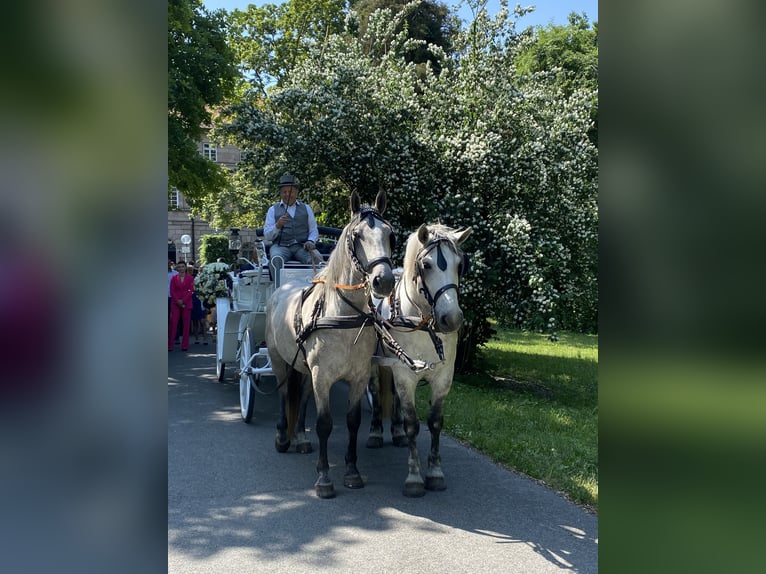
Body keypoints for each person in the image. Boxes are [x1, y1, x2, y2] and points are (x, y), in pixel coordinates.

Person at [263, 173, 320, 269]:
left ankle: (314, 283)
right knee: (276, 260)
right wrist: (277, 226)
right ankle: (278, 284)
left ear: (296, 192)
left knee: (316, 258)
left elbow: (313, 230)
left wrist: (310, 241)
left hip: (302, 247)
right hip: (280, 247)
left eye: (290, 192)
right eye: (284, 192)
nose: (287, 194)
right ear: (280, 193)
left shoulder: (306, 208)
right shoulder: (272, 210)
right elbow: (268, 236)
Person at [168, 260, 194, 352]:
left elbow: (191, 291)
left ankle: (185, 345)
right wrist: (178, 300)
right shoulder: (174, 278)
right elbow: (172, 290)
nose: (181, 268)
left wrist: (183, 300)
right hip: (175, 303)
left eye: (183, 266)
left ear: (185, 267)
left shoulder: (190, 278)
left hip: (186, 303)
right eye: (179, 267)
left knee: (186, 325)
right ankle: (170, 345)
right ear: (177, 268)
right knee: (173, 323)